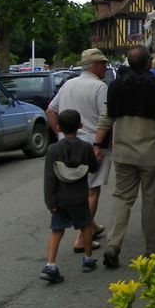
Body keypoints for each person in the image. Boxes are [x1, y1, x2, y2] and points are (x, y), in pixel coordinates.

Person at [94, 45, 155, 269]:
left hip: (123, 153)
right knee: (152, 202)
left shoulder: (115, 86)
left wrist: (97, 144)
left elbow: (106, 119)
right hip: (150, 154)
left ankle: (113, 245)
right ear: (147, 63)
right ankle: (154, 249)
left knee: (122, 198)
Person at [46, 47, 112, 253]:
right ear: (97, 66)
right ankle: (83, 238)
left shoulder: (68, 84)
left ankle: (90, 225)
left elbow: (50, 110)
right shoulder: (100, 87)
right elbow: (105, 118)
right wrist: (98, 145)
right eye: (104, 64)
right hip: (92, 142)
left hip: (66, 141)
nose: (106, 68)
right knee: (92, 191)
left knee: (74, 186)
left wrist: (58, 131)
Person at [40, 109, 101, 283]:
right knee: (86, 226)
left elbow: (49, 178)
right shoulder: (86, 147)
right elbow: (93, 168)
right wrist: (98, 158)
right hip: (80, 197)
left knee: (57, 231)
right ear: (80, 126)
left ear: (58, 127)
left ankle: (51, 264)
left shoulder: (53, 149)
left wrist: (50, 201)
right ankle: (88, 259)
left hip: (60, 198)